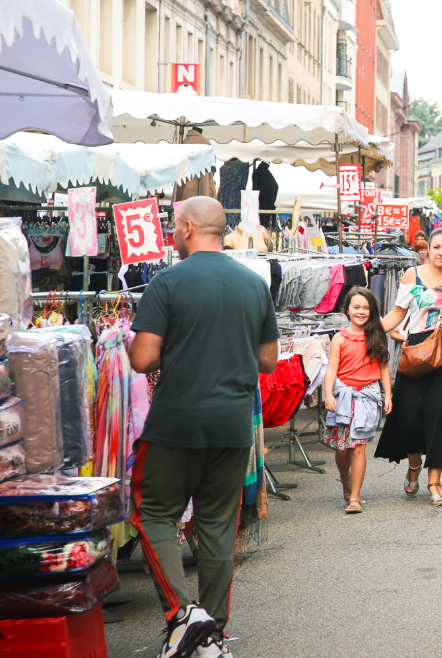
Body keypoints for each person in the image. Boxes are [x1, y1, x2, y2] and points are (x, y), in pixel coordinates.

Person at [127, 196, 278, 658]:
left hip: (177, 421)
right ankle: (211, 634)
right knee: (217, 525)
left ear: (188, 228)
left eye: (175, 226)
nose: (173, 233)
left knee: (153, 514)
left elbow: (142, 358)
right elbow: (268, 360)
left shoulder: (167, 282)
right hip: (233, 423)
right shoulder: (255, 284)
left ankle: (182, 616)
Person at [376, 228, 442, 505]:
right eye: (437, 247)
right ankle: (414, 465)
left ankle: (434, 482)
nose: (441, 252)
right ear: (428, 249)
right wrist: (367, 333)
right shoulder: (412, 275)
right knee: (411, 414)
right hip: (419, 349)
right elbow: (398, 313)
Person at [322, 287, 393, 515]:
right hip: (343, 397)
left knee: (358, 447)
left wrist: (388, 394)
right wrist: (328, 394)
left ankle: (355, 497)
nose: (361, 311)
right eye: (356, 307)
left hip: (367, 397)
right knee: (343, 449)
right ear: (347, 310)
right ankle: (345, 479)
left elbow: (384, 367)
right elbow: (331, 369)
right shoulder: (339, 338)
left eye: (366, 308)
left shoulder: (377, 335)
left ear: (372, 311)